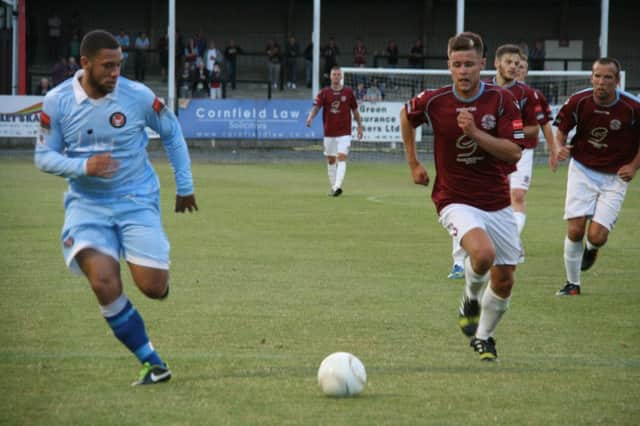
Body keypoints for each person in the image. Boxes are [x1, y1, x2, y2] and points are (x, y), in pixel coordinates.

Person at [34, 29, 198, 385]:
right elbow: (43, 156)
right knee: (104, 282)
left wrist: (184, 187)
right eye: (107, 66)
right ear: (85, 64)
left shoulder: (137, 96)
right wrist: (82, 167)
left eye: (119, 65)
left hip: (136, 200)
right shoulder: (57, 101)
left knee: (153, 287)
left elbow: (171, 131)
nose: (114, 73)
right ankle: (152, 362)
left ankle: (152, 272)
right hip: (86, 206)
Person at [400, 32, 524, 361]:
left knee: (505, 279)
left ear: (483, 64)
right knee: (482, 254)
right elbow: (407, 116)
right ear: (449, 66)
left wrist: (475, 133)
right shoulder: (435, 100)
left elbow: (513, 152)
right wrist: (414, 163)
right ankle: (470, 297)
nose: (463, 71)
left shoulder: (501, 100)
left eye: (469, 64)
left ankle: (484, 337)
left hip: (496, 200)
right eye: (457, 65)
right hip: (453, 198)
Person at [551, 58, 640, 296]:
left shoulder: (633, 107)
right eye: (597, 76)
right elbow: (560, 130)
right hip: (582, 169)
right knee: (575, 229)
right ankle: (572, 284)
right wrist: (559, 147)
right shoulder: (579, 101)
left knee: (597, 236)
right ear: (591, 77)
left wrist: (633, 166)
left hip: (616, 176)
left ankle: (592, 249)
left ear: (617, 81)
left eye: (607, 77)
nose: (601, 82)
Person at [306, 65, 364, 197]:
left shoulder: (348, 92)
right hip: (329, 132)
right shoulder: (324, 92)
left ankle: (338, 185)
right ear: (331, 76)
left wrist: (360, 125)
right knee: (331, 160)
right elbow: (316, 107)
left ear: (342, 76)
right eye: (334, 74)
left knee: (342, 157)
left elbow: (355, 110)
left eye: (338, 74)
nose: (336, 77)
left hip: (344, 132)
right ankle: (334, 187)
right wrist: (310, 118)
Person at [516, 54, 555, 172]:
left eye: (522, 67)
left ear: (526, 72)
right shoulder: (498, 93)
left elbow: (545, 124)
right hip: (501, 147)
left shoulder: (535, 94)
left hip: (525, 148)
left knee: (517, 191)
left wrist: (553, 150)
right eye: (516, 66)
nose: (518, 70)